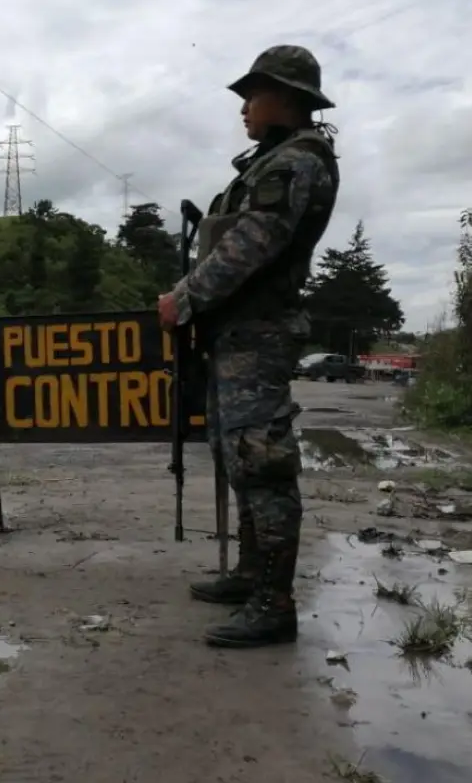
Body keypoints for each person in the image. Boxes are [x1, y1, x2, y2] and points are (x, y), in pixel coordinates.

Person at [157, 45, 341, 649]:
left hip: (256, 336)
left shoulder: (295, 163)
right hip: (234, 335)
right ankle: (248, 574)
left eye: (251, 96)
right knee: (239, 457)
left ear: (284, 98)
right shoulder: (268, 162)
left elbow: (250, 245)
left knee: (262, 466)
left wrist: (181, 299)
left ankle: (273, 603)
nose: (243, 109)